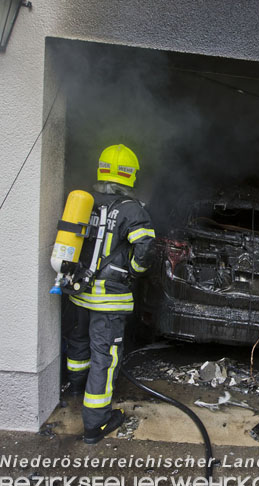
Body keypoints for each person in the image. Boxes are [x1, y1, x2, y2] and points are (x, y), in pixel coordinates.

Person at [65, 144, 155, 444]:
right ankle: (96, 422)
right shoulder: (132, 209)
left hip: (79, 292)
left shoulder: (85, 202)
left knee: (79, 343)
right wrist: (132, 269)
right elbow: (144, 248)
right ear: (131, 176)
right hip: (109, 299)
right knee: (105, 356)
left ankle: (76, 388)